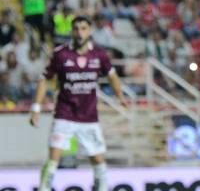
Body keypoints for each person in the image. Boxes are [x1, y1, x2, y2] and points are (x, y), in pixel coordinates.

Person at [29, 16, 128, 191]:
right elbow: (44, 79)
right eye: (76, 29)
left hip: (89, 116)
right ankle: (43, 187)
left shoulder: (99, 55)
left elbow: (111, 75)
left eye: (83, 28)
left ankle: (102, 187)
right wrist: (36, 108)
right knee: (54, 157)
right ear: (71, 31)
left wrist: (120, 96)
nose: (79, 32)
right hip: (64, 114)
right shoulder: (61, 54)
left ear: (89, 31)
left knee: (97, 159)